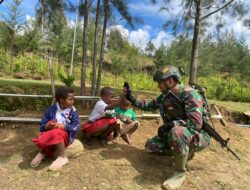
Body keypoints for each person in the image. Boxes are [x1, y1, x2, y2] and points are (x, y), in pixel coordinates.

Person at [124, 66, 210, 190]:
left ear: (170, 81)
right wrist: (131, 98)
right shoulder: (166, 96)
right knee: (151, 146)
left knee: (176, 132)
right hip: (177, 133)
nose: (158, 86)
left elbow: (195, 124)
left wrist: (172, 124)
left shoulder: (190, 94)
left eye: (160, 82)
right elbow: (149, 105)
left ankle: (179, 173)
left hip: (198, 136)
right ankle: (184, 152)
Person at [30, 87, 80, 171]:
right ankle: (42, 153)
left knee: (56, 132)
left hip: (65, 137)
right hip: (52, 134)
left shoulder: (73, 111)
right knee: (46, 134)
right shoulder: (51, 110)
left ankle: (62, 157)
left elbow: (76, 127)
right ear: (61, 99)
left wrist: (64, 127)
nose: (73, 101)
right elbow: (42, 127)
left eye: (73, 99)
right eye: (70, 99)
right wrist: (47, 126)